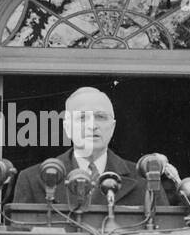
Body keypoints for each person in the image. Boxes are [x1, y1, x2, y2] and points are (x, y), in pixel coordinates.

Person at [11, 87, 147, 207]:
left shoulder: (143, 181)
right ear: (67, 128)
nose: (92, 125)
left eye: (100, 116)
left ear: (112, 127)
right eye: (82, 118)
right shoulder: (32, 179)